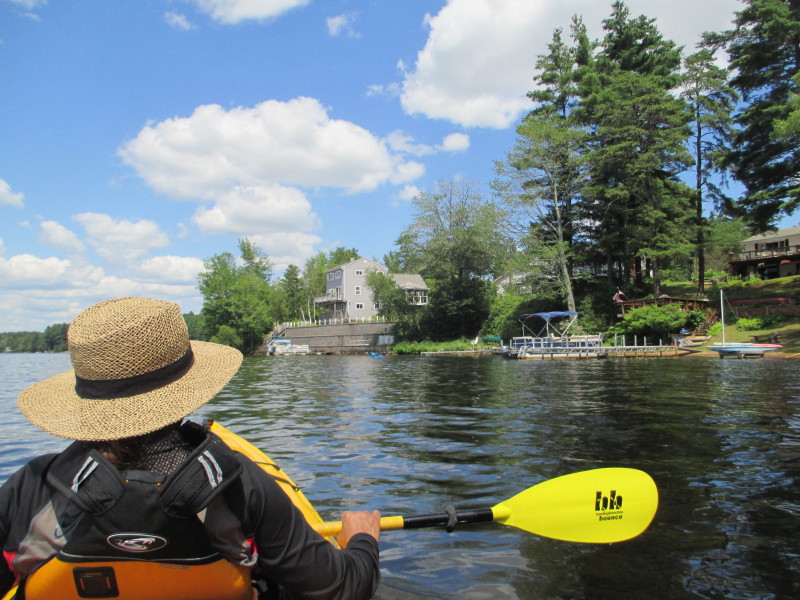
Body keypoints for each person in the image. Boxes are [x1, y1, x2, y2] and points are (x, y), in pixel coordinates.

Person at [0, 297, 381, 599]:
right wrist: (362, 540)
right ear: (185, 390)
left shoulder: (31, 487)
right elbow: (341, 588)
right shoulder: (240, 484)